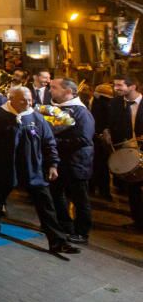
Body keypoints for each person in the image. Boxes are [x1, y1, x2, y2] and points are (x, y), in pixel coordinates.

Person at [0, 86, 80, 255]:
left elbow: (48, 142)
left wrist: (53, 164)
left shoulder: (36, 117)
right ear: (10, 98)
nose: (28, 103)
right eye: (23, 99)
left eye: (30, 100)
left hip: (32, 168)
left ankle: (58, 241)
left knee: (45, 204)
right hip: (4, 167)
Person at [48, 78, 95, 244]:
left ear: (68, 92)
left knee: (79, 199)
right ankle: (64, 224)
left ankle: (82, 232)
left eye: (54, 87)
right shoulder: (57, 108)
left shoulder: (81, 112)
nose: (50, 90)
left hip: (77, 162)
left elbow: (84, 138)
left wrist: (54, 142)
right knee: (57, 194)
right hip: (60, 162)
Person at [108, 75, 143, 231]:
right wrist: (106, 132)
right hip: (128, 153)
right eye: (115, 85)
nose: (116, 88)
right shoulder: (115, 103)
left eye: (120, 85)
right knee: (133, 190)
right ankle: (138, 222)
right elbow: (110, 123)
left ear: (133, 86)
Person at [89, 83, 115, 200]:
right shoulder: (106, 104)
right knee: (102, 166)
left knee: (95, 164)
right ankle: (104, 191)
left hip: (94, 137)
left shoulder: (95, 101)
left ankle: (92, 188)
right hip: (100, 138)